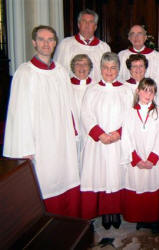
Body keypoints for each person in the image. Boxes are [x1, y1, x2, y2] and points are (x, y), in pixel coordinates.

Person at [3, 25, 80, 217]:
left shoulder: (61, 71)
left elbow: (70, 105)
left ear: (55, 43)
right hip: (40, 141)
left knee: (67, 174)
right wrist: (24, 148)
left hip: (62, 138)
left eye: (50, 39)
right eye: (42, 39)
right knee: (45, 182)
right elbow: (18, 113)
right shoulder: (25, 73)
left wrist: (74, 132)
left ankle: (68, 222)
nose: (47, 44)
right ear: (34, 43)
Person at [80, 52, 133, 229]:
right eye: (105, 67)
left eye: (113, 68)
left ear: (118, 69)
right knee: (101, 175)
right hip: (98, 143)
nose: (109, 71)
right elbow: (85, 114)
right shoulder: (92, 89)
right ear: (100, 69)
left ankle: (115, 212)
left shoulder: (126, 89)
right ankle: (104, 213)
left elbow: (131, 115)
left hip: (118, 141)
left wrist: (119, 133)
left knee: (116, 175)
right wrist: (100, 134)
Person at [120, 78, 159, 233]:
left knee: (151, 187)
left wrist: (152, 158)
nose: (147, 93)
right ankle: (140, 217)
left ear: (154, 94)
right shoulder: (129, 112)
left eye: (151, 91)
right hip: (136, 158)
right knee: (138, 186)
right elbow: (126, 136)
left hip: (152, 159)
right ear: (138, 91)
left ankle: (153, 219)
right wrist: (135, 159)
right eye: (144, 90)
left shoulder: (158, 112)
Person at [55, 9, 110, 81]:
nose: (87, 25)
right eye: (84, 21)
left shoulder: (104, 48)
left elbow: (108, 73)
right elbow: (57, 70)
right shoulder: (65, 44)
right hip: (72, 89)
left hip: (95, 90)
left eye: (91, 22)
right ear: (78, 25)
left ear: (95, 26)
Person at [70, 54, 93, 122]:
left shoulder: (96, 86)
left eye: (85, 64)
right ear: (73, 67)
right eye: (78, 64)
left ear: (90, 67)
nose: (81, 67)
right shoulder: (66, 86)